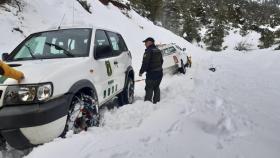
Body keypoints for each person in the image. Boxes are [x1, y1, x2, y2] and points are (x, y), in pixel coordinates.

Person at [139, 37, 163, 104]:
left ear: (150, 42)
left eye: (146, 43)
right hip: (159, 73)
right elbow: (161, 61)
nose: (145, 44)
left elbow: (145, 63)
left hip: (152, 74)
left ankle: (147, 105)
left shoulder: (148, 51)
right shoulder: (158, 50)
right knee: (156, 87)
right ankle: (157, 103)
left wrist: (141, 72)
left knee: (149, 88)